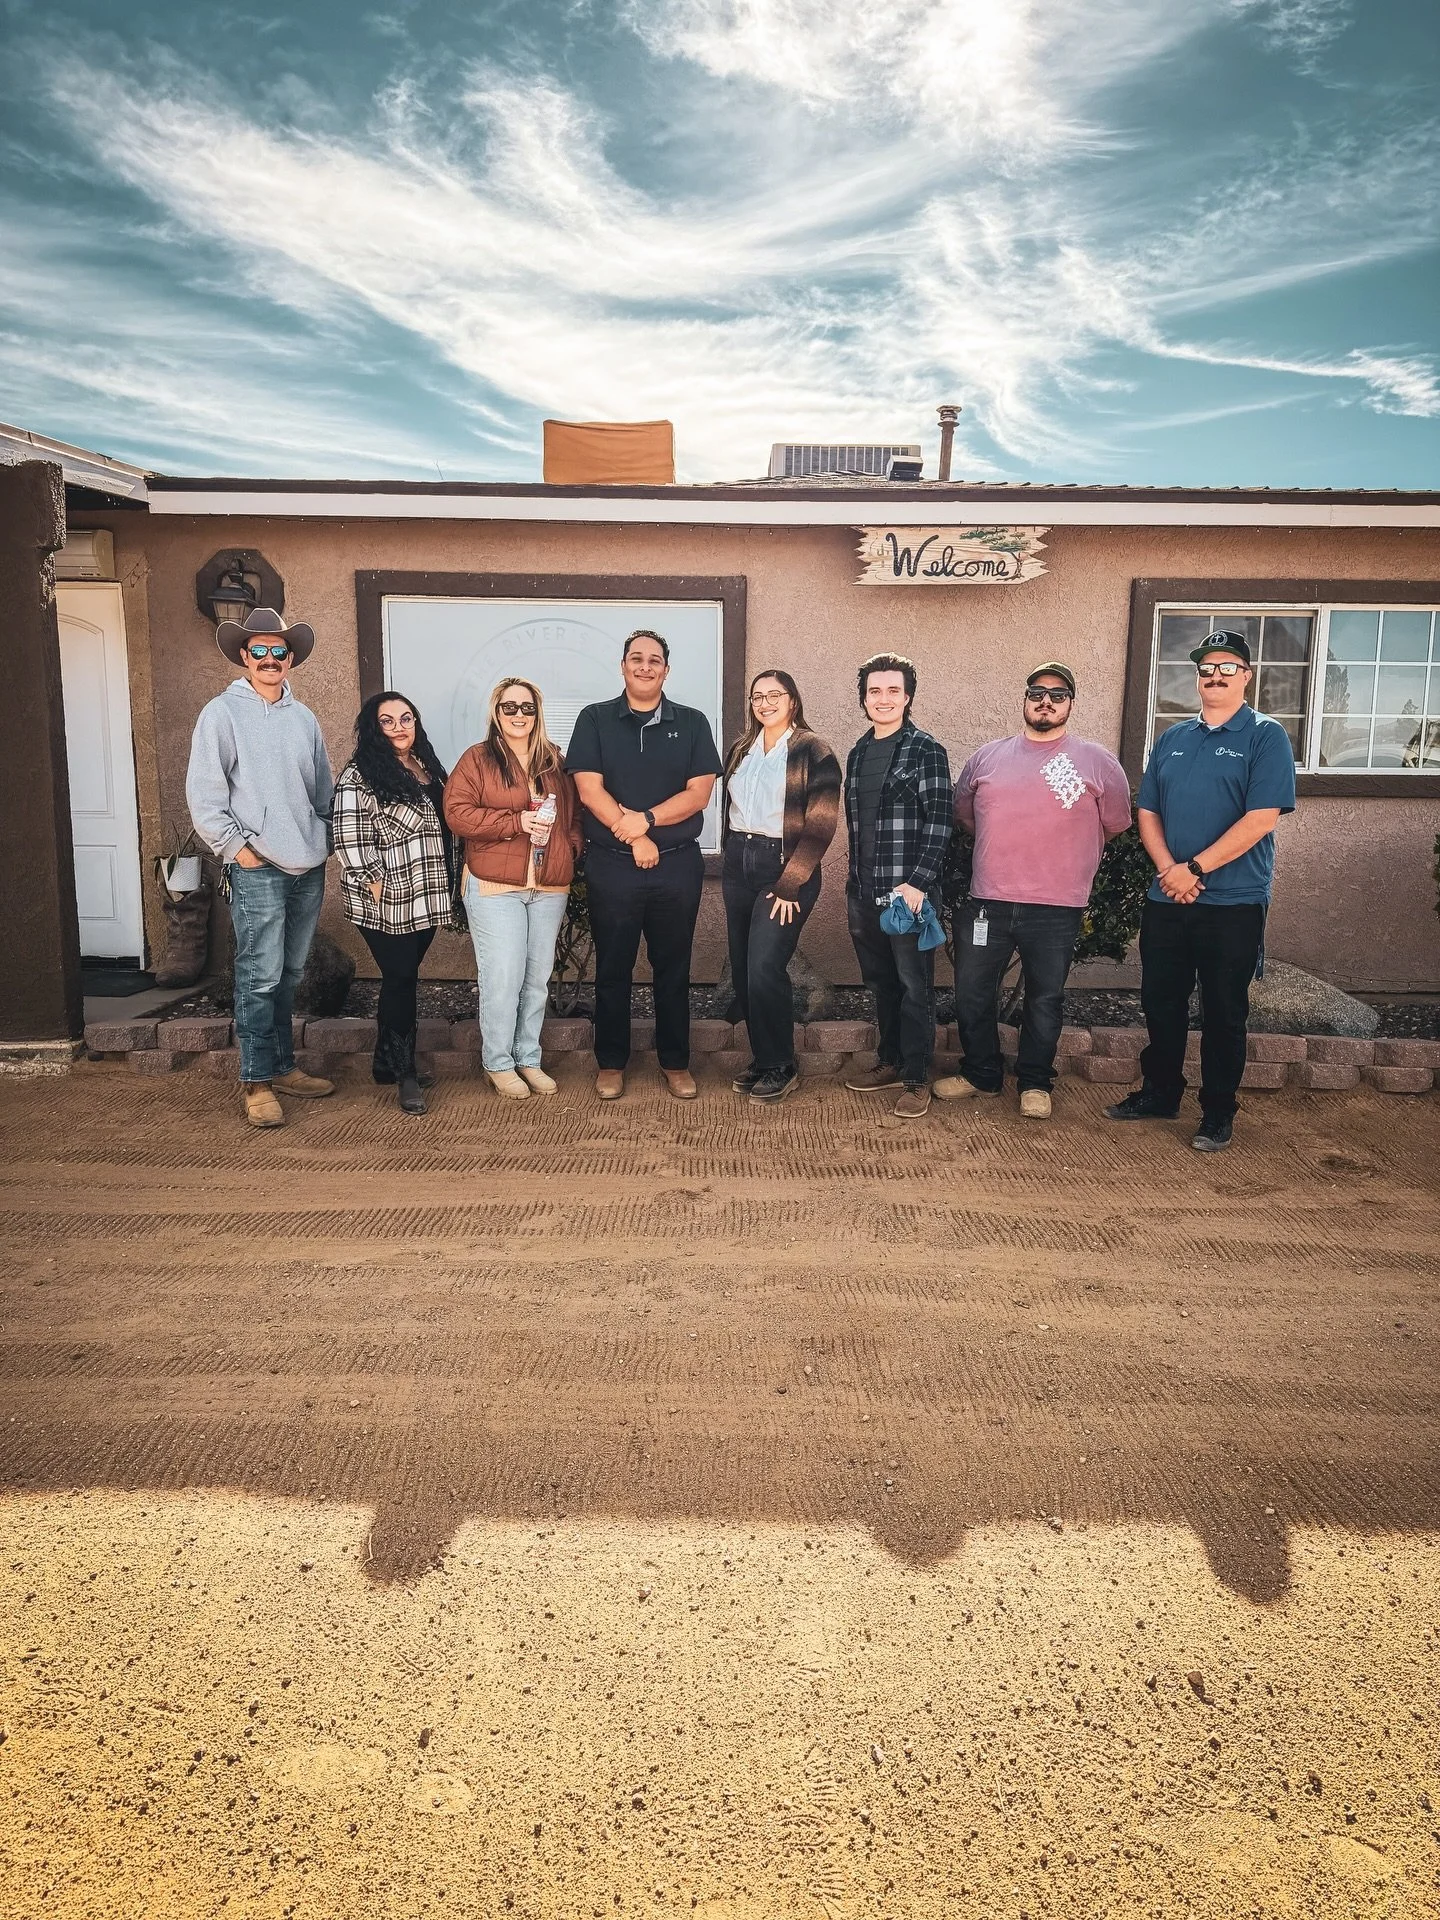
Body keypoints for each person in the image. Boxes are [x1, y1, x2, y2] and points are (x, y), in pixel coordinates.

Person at [1106, 629, 1297, 1152]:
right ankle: (1160, 1092)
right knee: (1161, 1003)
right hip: (1167, 897)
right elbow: (1149, 810)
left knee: (1223, 1011)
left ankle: (1217, 1112)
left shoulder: (1265, 735)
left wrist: (1195, 868)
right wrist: (1170, 869)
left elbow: (1261, 819)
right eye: (1206, 667)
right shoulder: (1173, 737)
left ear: (1247, 676)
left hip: (1232, 902)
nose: (1215, 675)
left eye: (1227, 666)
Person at [935, 662, 1132, 1118]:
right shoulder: (987, 758)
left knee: (1045, 996)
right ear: (1024, 699)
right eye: (1037, 692)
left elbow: (1117, 821)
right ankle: (980, 1072)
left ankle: (1035, 1082)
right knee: (971, 991)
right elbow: (965, 816)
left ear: (1070, 704)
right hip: (989, 901)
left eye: (1058, 694)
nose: (1046, 700)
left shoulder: (1094, 761)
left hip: (1057, 906)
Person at [185, 606, 335, 1130]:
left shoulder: (303, 717)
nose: (269, 659)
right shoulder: (221, 714)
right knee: (259, 975)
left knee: (290, 973)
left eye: (279, 652)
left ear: (290, 659)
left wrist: (325, 837)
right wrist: (235, 847)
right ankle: (256, 1080)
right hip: (258, 867)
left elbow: (322, 789)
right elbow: (205, 793)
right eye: (259, 652)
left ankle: (283, 1065)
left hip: (307, 866)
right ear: (245, 657)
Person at [566, 630, 723, 1101]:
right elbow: (588, 789)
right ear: (623, 666)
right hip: (612, 866)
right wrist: (635, 838)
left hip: (676, 866)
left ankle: (675, 1063)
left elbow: (700, 794)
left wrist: (646, 823)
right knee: (613, 968)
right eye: (637, 658)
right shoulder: (594, 719)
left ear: (667, 670)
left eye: (655, 660)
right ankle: (611, 1062)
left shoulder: (693, 723)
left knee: (673, 967)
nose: (645, 666)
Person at [444, 678, 582, 1099]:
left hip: (549, 885)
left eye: (527, 708)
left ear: (537, 713)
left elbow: (574, 816)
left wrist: (571, 849)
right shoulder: (478, 759)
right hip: (494, 884)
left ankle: (528, 1057)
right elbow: (457, 814)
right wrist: (515, 823)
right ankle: (498, 1062)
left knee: (537, 978)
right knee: (503, 975)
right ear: (496, 712)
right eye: (509, 708)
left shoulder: (554, 761)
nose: (518, 715)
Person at [332, 691, 460, 1115]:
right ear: (373, 727)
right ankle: (404, 1072)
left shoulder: (425, 768)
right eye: (388, 721)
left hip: (426, 893)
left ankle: (384, 1063)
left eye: (407, 718)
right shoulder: (359, 775)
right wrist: (372, 881)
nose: (400, 726)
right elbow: (347, 833)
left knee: (401, 976)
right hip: (386, 897)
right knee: (401, 978)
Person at [721, 669, 842, 1103]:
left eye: (775, 694)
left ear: (793, 700)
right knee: (742, 968)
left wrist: (791, 884)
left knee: (764, 966)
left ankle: (781, 1065)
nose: (765, 702)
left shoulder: (813, 750)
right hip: (739, 864)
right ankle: (763, 1056)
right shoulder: (740, 750)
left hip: (785, 868)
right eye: (758, 696)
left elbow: (821, 824)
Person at [842, 653, 952, 1119]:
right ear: (864, 699)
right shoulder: (858, 753)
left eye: (893, 691)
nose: (883, 699)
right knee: (880, 982)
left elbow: (941, 823)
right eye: (874, 691)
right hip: (864, 893)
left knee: (914, 987)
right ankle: (889, 1061)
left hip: (908, 897)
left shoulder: (926, 749)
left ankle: (915, 1077)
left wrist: (919, 884)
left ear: (907, 697)